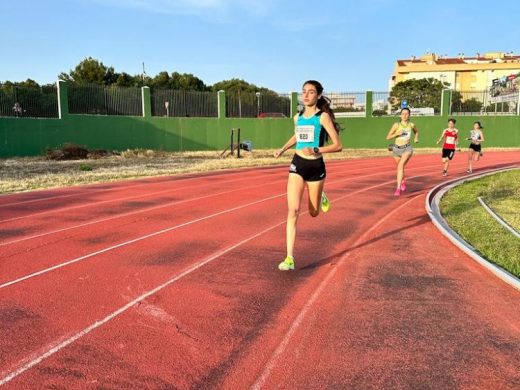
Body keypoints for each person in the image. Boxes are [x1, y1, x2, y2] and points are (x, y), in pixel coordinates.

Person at [273, 80, 342, 271]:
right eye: (304, 92)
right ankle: (289, 257)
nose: (305, 95)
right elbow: (297, 136)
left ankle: (320, 195)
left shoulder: (323, 117)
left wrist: (317, 148)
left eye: (311, 92)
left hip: (316, 167)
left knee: (313, 212)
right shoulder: (297, 117)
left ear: (318, 96)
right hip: (297, 164)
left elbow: (338, 145)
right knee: (293, 211)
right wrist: (283, 149)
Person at [385, 107, 419, 196]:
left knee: (400, 166)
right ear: (400, 115)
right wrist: (397, 133)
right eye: (403, 114)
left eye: (406, 114)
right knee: (400, 168)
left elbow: (416, 132)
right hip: (396, 149)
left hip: (407, 149)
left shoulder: (411, 125)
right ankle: (403, 181)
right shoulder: (396, 125)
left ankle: (398, 188)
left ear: (409, 115)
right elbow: (388, 137)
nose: (404, 115)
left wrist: (416, 138)